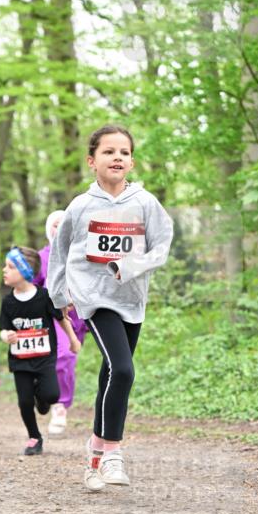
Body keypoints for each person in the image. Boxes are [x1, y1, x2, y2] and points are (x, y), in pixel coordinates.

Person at [47, 124, 173, 490]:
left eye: (123, 152)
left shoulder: (145, 203)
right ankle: (114, 453)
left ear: (131, 162)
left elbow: (161, 246)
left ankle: (95, 456)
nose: (117, 157)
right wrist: (60, 298)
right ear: (92, 161)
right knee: (124, 369)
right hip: (94, 297)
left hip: (132, 298)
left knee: (111, 373)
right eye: (108, 152)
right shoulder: (81, 206)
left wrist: (130, 267)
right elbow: (58, 253)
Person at [0, 246, 80, 456]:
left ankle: (41, 400)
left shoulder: (44, 297)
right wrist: (6, 336)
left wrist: (73, 340)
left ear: (25, 271)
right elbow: (3, 328)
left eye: (10, 267)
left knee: (52, 396)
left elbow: (61, 319)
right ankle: (34, 437)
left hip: (44, 357)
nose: (4, 270)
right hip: (21, 360)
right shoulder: (8, 302)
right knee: (24, 401)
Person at [34, 211, 88, 436]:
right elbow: (30, 287)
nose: (60, 229)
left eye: (64, 224)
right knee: (63, 355)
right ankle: (59, 407)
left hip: (81, 316)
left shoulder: (83, 254)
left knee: (69, 360)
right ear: (49, 229)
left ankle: (49, 394)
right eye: (56, 225)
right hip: (54, 318)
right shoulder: (42, 257)